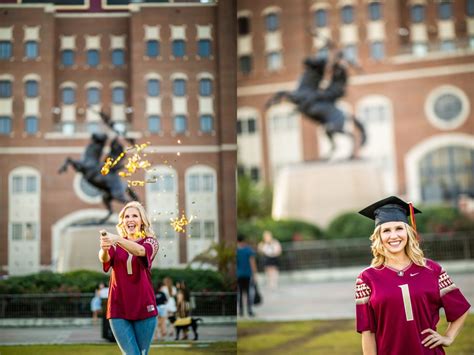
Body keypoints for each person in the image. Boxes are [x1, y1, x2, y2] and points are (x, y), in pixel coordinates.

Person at [355, 196, 470, 355]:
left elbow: (460, 308)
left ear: (408, 232)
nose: (393, 236)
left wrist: (448, 337)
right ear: (378, 237)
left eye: (399, 228)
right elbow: (368, 331)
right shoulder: (367, 278)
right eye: (386, 230)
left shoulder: (432, 269)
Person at [99, 201, 159, 355]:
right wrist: (104, 248)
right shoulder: (114, 244)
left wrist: (118, 239)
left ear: (142, 221)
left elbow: (140, 251)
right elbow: (104, 258)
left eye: (134, 216)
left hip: (144, 306)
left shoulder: (150, 241)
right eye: (126, 216)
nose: (130, 219)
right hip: (118, 307)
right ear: (123, 221)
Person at [237, 233, 258, 317]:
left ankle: (241, 311)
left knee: (240, 293)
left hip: (239, 275)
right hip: (247, 274)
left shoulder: (236, 250)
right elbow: (252, 263)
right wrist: (254, 274)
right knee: (248, 293)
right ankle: (249, 310)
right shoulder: (248, 250)